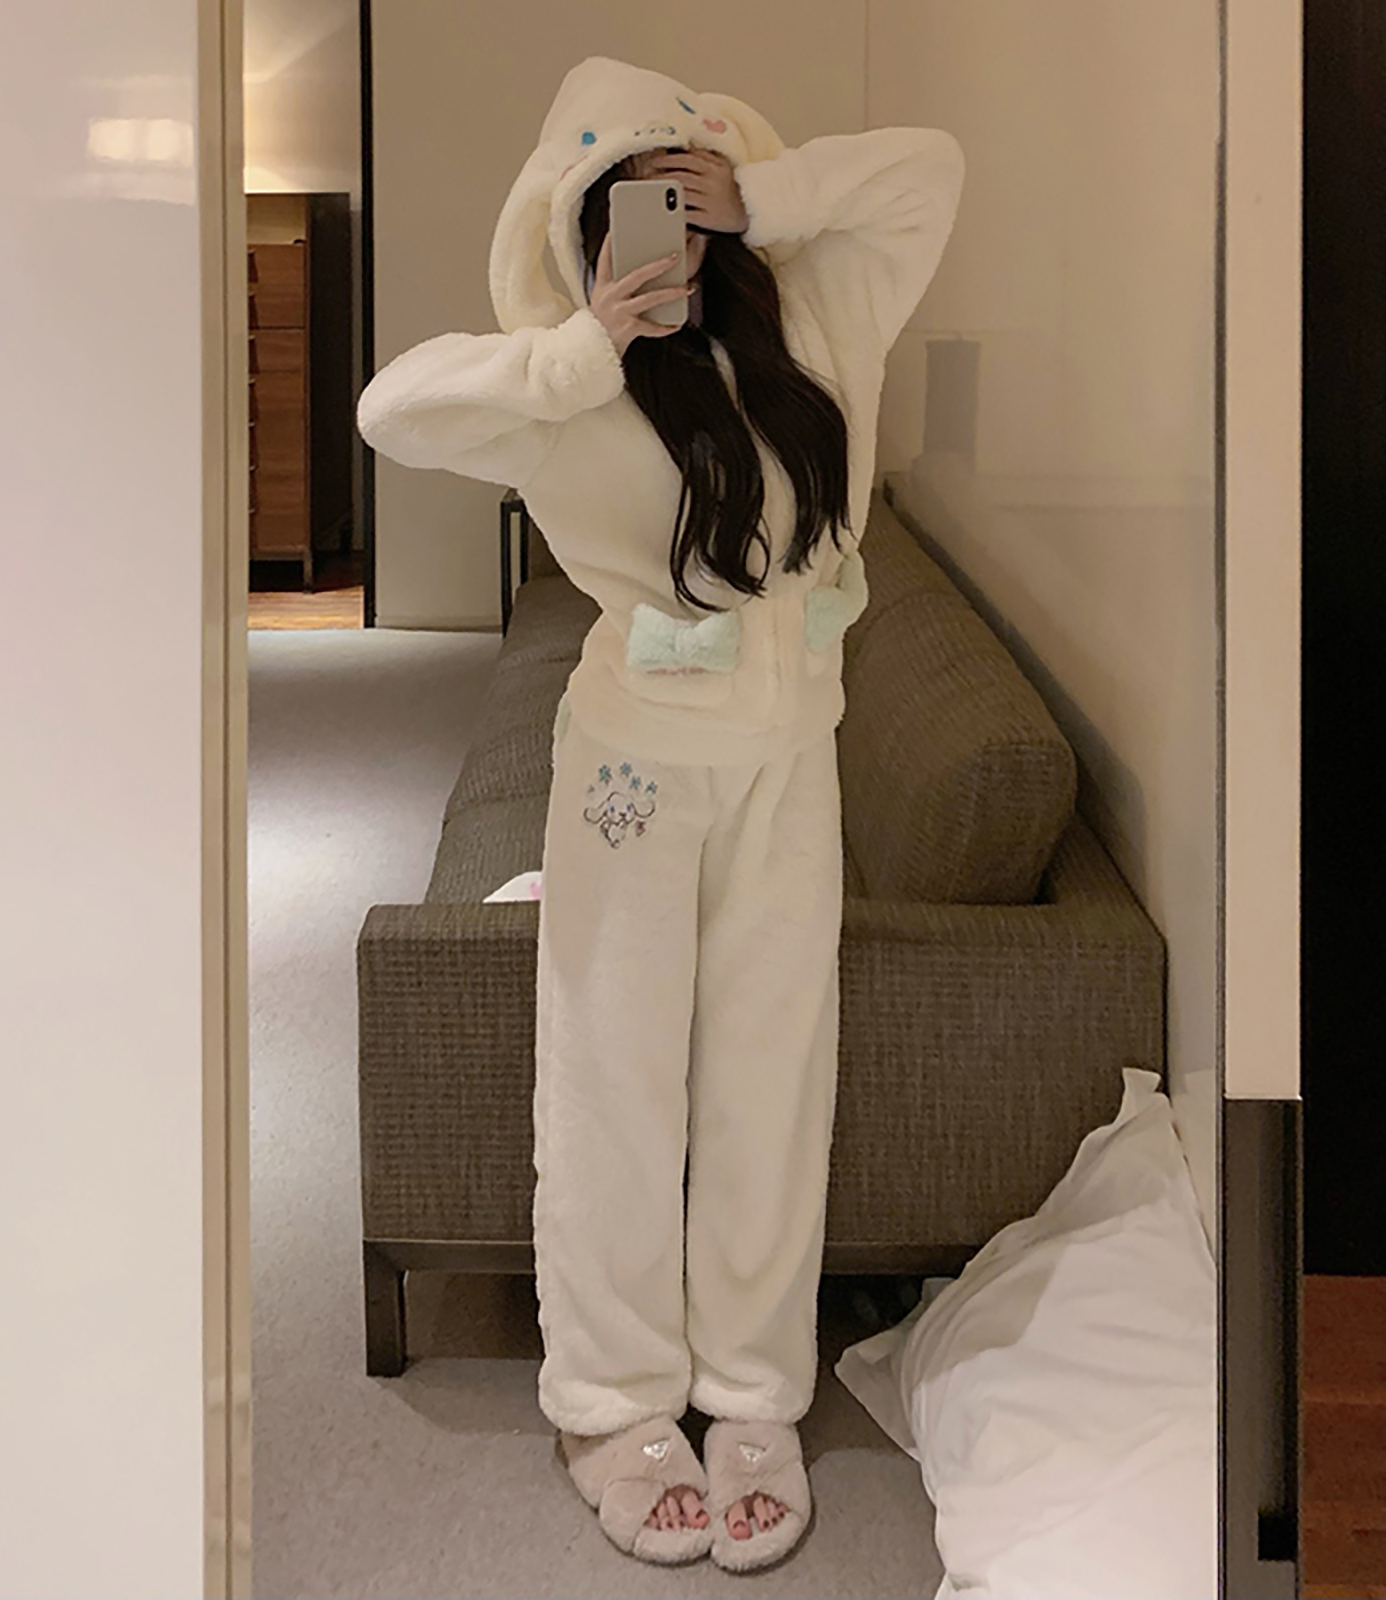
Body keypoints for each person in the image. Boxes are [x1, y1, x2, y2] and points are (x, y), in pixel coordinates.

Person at [357, 55, 962, 1573]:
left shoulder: (818, 324)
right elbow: (389, 411)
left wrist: (771, 195)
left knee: (770, 1074)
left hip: (789, 761)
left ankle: (752, 1391)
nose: (667, 228)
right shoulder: (566, 391)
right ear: (578, 232)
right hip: (631, 767)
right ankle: (612, 1402)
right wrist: (581, 349)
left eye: (684, 193)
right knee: (614, 1076)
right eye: (627, 203)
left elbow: (928, 172)